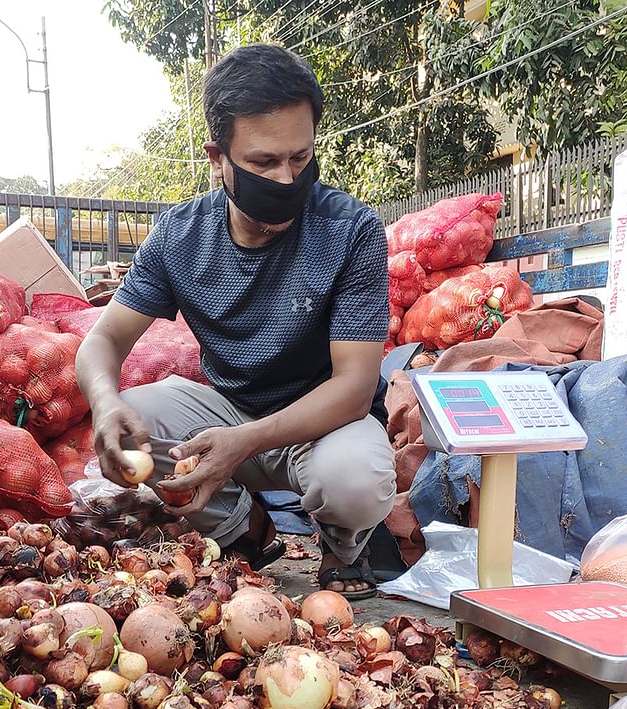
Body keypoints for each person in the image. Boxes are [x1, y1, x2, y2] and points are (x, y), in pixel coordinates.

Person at [75, 43, 394, 598]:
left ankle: (345, 547)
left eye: (300, 157)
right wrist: (105, 401)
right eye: (264, 162)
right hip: (228, 408)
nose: (287, 177)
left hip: (321, 421)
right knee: (136, 421)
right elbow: (102, 339)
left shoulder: (350, 230)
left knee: (355, 480)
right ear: (217, 157)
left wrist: (244, 443)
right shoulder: (180, 236)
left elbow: (354, 388)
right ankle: (245, 530)